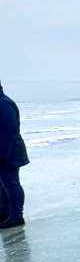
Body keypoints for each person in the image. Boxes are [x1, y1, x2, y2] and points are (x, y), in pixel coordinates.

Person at [0, 81, 29, 229]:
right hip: (6, 151)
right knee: (3, 184)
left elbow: (8, 133)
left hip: (9, 152)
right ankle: (5, 213)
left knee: (11, 184)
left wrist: (2, 155)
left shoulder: (4, 104)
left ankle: (16, 216)